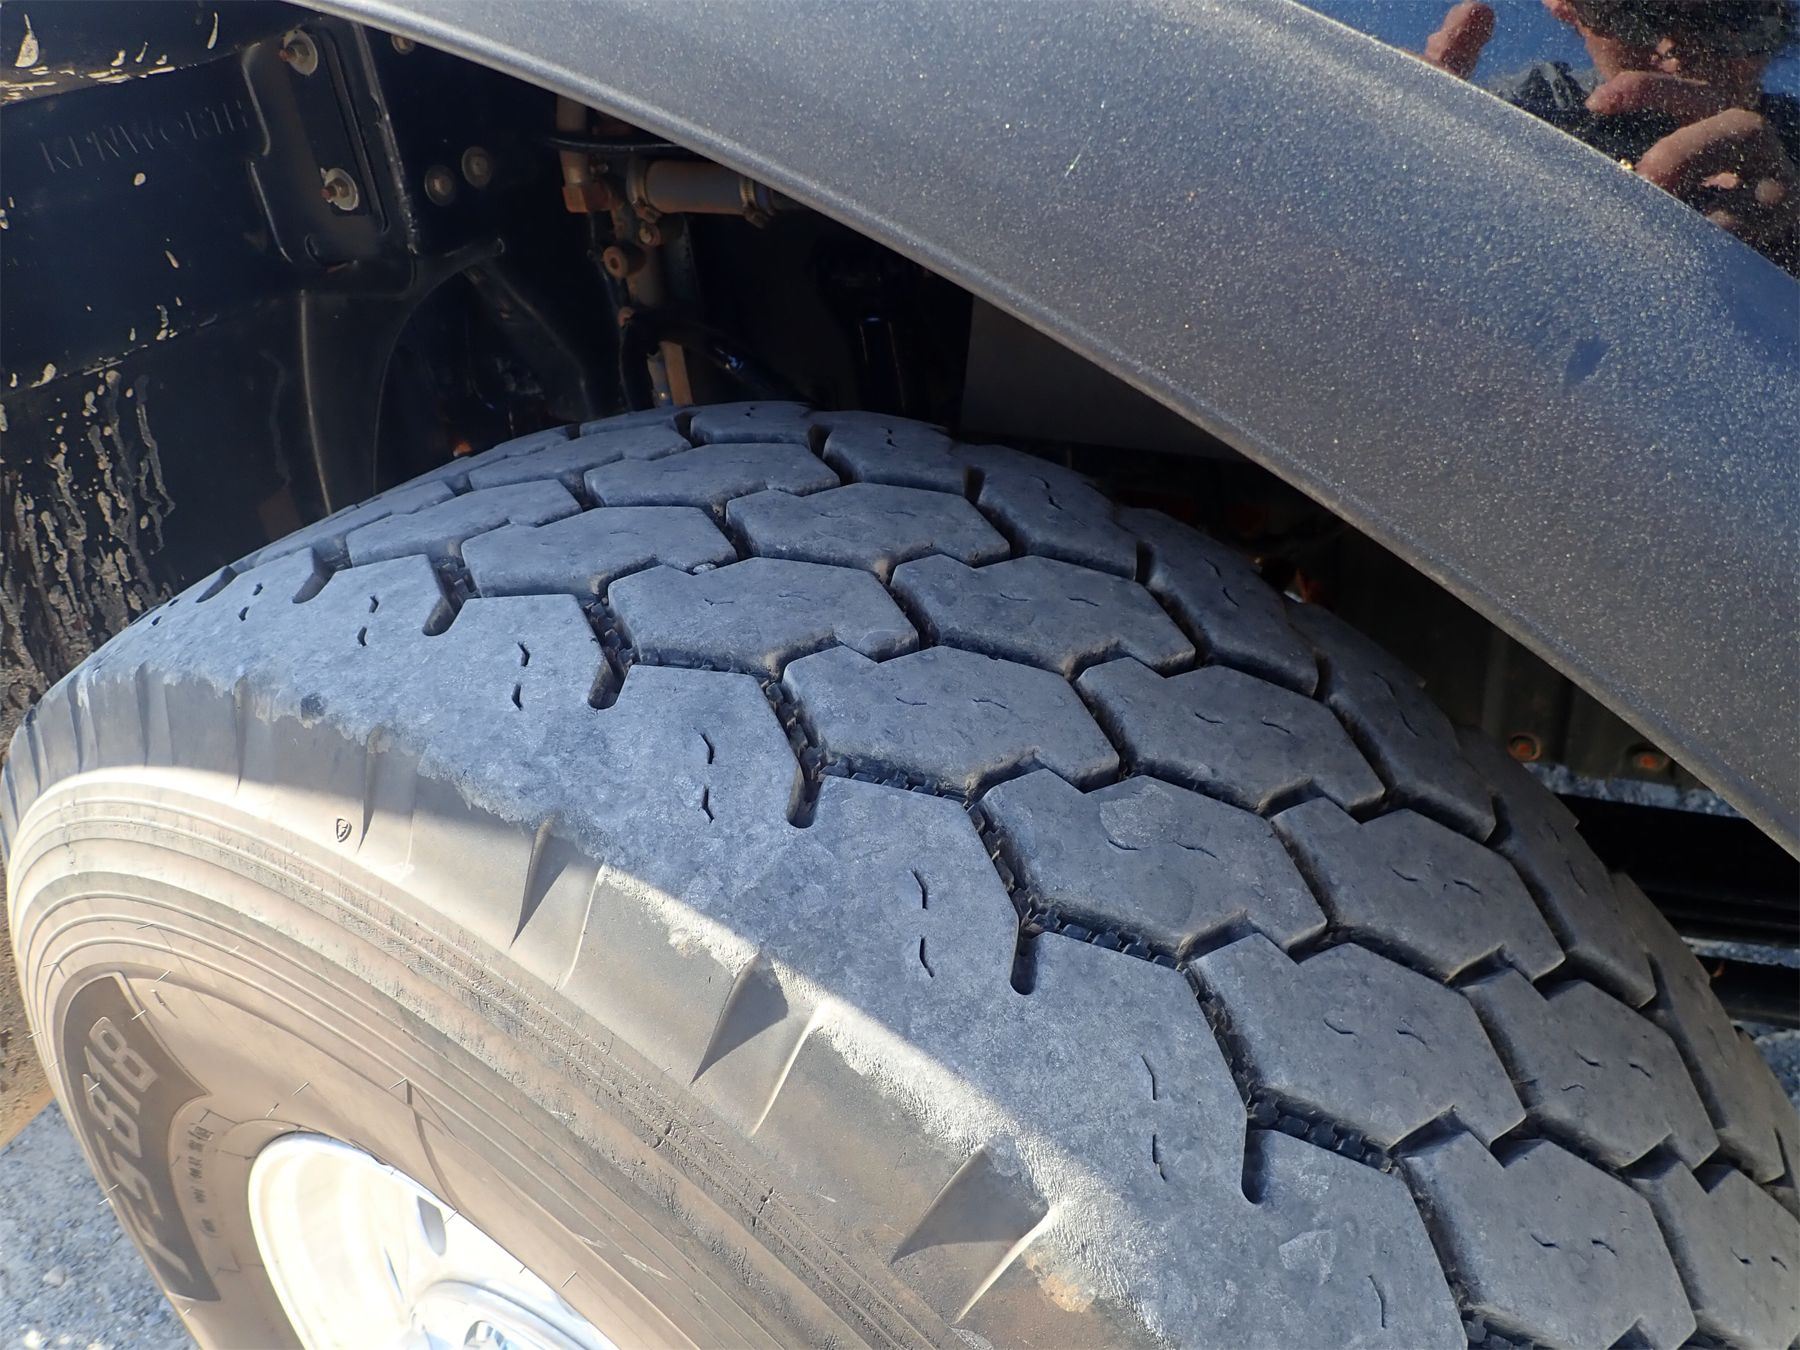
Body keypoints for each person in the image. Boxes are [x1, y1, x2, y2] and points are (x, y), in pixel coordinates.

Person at [1425, 0, 1800, 269]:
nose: (1676, 49)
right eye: (1633, 11)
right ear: (1564, 7)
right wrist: (1416, 152)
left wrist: (1783, 249)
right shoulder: (1521, 110)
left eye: (1734, 13)